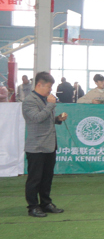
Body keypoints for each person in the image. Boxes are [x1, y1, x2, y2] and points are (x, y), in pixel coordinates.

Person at [22, 72, 68, 218]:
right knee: (35, 179)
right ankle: (33, 207)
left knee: (47, 178)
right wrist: (50, 105)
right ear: (39, 85)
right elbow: (36, 118)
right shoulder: (29, 100)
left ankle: (46, 203)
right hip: (36, 147)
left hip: (49, 145)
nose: (50, 90)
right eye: (48, 87)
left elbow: (46, 119)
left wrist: (58, 118)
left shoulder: (45, 100)